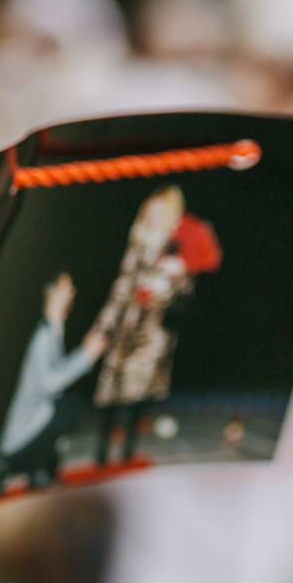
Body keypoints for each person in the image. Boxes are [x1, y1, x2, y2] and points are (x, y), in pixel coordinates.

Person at [90, 184, 221, 465]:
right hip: (127, 326)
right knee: (113, 390)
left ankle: (127, 453)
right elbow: (121, 286)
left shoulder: (175, 244)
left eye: (159, 212)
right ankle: (102, 456)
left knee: (139, 393)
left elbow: (185, 292)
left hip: (153, 331)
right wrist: (104, 324)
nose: (153, 216)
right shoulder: (137, 241)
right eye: (151, 211)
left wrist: (176, 274)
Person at [0, 273, 109, 493]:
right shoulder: (44, 336)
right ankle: (8, 466)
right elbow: (49, 384)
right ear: (51, 294)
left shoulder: (53, 331)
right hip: (20, 435)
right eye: (66, 288)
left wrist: (85, 352)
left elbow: (55, 374)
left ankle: (37, 467)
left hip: (33, 425)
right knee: (69, 407)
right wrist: (86, 356)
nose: (72, 293)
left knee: (67, 409)